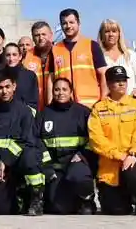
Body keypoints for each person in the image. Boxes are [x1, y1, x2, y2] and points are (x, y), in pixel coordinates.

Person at [88, 65, 136, 216]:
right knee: (116, 210)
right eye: (117, 81)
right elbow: (96, 140)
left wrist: (133, 154)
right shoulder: (98, 109)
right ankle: (124, 197)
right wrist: (119, 155)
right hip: (110, 165)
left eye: (124, 80)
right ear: (109, 84)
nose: (121, 84)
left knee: (132, 173)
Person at [0, 69, 44, 215]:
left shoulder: (24, 111)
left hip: (18, 161)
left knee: (30, 157)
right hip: (0, 168)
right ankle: (18, 198)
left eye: (7, 87)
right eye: (0, 88)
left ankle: (36, 197)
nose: (4, 91)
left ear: (14, 86)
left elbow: (25, 140)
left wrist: (5, 160)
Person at [37, 76, 96, 215]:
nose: (60, 93)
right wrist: (47, 166)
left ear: (71, 92)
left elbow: (93, 139)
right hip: (55, 167)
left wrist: (82, 155)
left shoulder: (83, 113)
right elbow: (37, 140)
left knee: (79, 176)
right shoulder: (45, 113)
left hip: (77, 162)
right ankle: (71, 201)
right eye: (56, 89)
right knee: (58, 209)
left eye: (64, 89)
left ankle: (86, 200)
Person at [51, 9, 108, 108]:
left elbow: (103, 74)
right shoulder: (55, 49)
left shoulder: (91, 45)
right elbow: (51, 80)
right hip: (65, 106)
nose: (68, 26)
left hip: (91, 105)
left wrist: (103, 101)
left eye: (71, 22)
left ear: (78, 23)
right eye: (64, 23)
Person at [98, 19, 136, 98]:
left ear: (119, 34)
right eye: (107, 31)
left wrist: (131, 97)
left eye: (114, 31)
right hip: (108, 104)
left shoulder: (130, 55)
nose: (111, 34)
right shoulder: (99, 58)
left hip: (132, 103)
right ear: (102, 35)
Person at [20, 20, 56, 110]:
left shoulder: (59, 53)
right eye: (37, 35)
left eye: (44, 34)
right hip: (34, 109)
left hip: (56, 108)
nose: (40, 38)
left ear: (51, 35)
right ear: (32, 37)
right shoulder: (27, 56)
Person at [0, 42, 40, 110]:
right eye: (8, 55)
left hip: (24, 116)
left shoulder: (30, 76)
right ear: (4, 57)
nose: (11, 59)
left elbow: (33, 102)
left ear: (20, 57)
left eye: (14, 55)